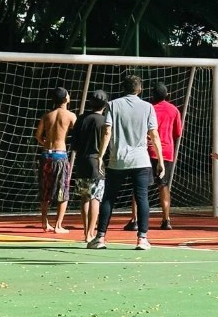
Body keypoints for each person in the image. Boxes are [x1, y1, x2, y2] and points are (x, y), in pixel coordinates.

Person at [88, 75, 164, 250]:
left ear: (124, 88)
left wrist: (100, 156)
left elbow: (107, 131)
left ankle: (100, 237)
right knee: (142, 197)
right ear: (140, 89)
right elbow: (154, 135)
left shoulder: (113, 105)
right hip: (141, 160)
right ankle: (142, 239)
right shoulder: (148, 107)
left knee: (108, 198)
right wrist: (159, 159)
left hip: (118, 160)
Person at [123, 82, 182, 231]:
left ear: (152, 94)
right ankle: (166, 219)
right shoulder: (174, 110)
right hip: (166, 152)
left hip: (146, 151)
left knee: (140, 186)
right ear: (167, 95)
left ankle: (135, 219)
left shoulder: (147, 108)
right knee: (164, 185)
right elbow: (177, 133)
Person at [34, 87, 76, 233]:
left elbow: (38, 135)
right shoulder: (70, 115)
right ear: (65, 99)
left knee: (45, 190)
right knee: (62, 190)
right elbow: (77, 134)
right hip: (60, 154)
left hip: (46, 154)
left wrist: (45, 142)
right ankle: (58, 225)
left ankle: (44, 222)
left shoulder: (47, 116)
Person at [69, 90, 108, 242]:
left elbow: (74, 144)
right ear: (105, 105)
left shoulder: (81, 119)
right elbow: (108, 144)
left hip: (81, 161)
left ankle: (86, 231)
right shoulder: (104, 121)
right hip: (96, 162)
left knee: (84, 197)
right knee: (95, 198)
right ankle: (91, 233)